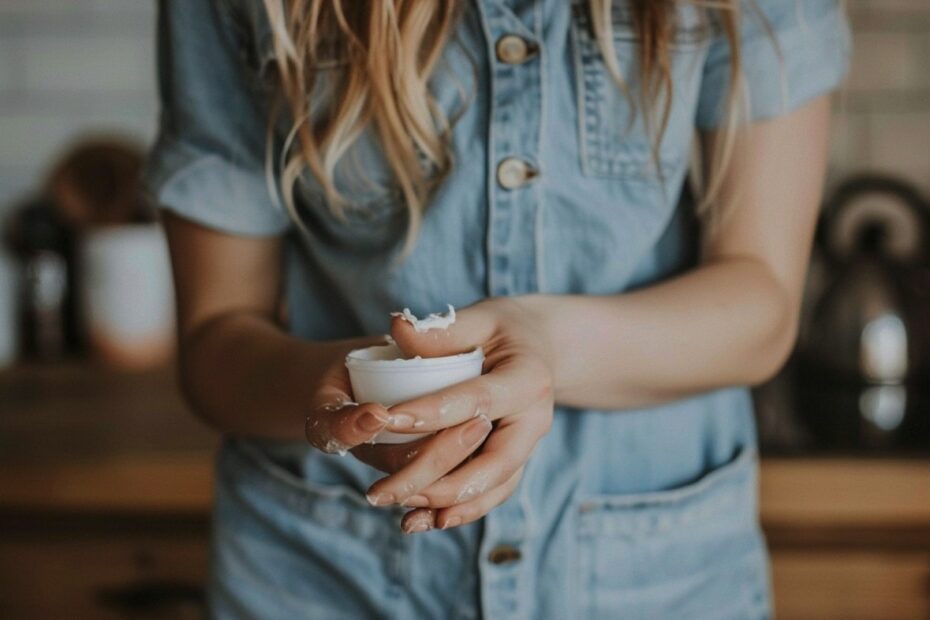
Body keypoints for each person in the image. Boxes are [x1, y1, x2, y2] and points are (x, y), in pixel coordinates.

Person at [144, 0, 850, 617]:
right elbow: (216, 338)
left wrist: (548, 344)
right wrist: (352, 400)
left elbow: (763, 305)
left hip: (656, 574)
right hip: (324, 575)